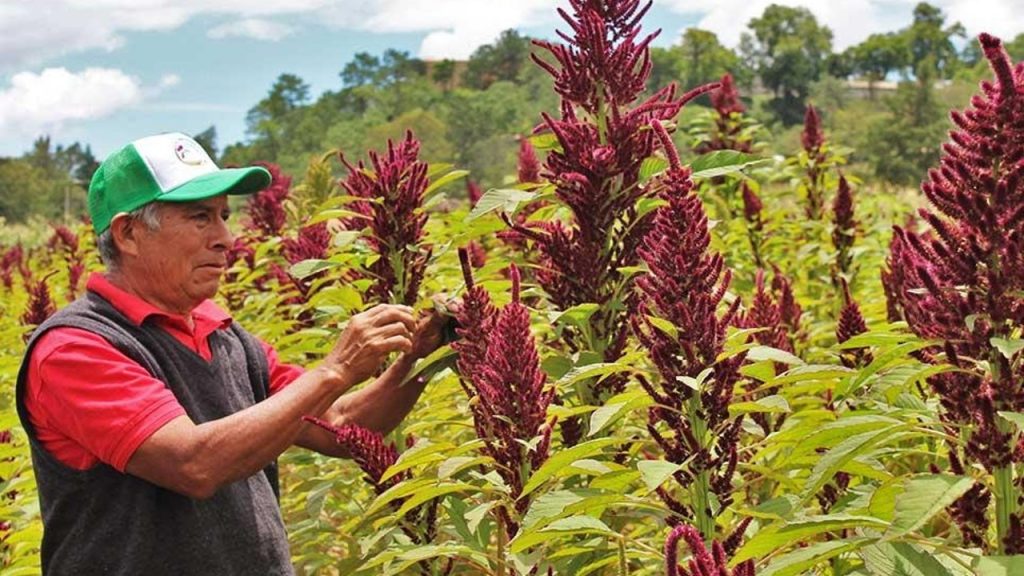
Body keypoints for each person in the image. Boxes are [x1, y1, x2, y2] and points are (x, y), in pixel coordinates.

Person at [15, 132, 449, 575]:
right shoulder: (76, 348)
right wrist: (336, 369)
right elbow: (192, 464)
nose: (226, 237)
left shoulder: (224, 336)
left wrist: (419, 362)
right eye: (200, 218)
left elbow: (338, 424)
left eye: (224, 215)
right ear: (128, 233)